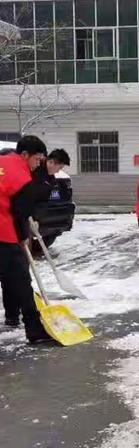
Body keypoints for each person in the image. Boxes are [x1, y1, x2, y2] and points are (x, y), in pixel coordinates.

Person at [0, 135, 53, 343]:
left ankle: (18, 319)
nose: (37, 164)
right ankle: (35, 330)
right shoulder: (21, 176)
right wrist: (22, 238)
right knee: (22, 281)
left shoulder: (2, 162)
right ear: (24, 155)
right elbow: (22, 212)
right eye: (37, 159)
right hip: (3, 235)